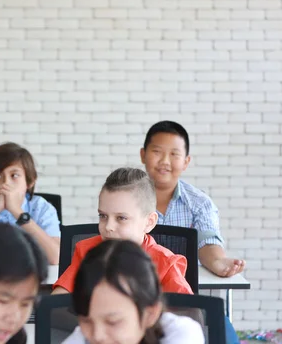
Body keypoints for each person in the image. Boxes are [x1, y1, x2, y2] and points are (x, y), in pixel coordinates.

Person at [53, 168, 192, 295]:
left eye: (121, 218)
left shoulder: (166, 264)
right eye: (103, 216)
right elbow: (57, 304)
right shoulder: (87, 251)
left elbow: (190, 315)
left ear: (149, 222)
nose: (108, 227)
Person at [140, 120, 245, 277]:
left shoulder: (200, 204)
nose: (165, 161)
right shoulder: (125, 199)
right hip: (135, 285)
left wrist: (218, 261)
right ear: (143, 155)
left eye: (174, 154)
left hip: (184, 291)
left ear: (186, 162)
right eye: (157, 152)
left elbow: (207, 241)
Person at [62, 239, 204, 344]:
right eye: (86, 321)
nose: (97, 336)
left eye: (113, 322)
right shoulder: (81, 337)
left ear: (150, 314)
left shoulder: (182, 334)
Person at [0, 142, 60, 264]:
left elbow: (56, 257)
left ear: (29, 181)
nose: (6, 183)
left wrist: (17, 211)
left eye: (14, 175)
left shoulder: (43, 208)